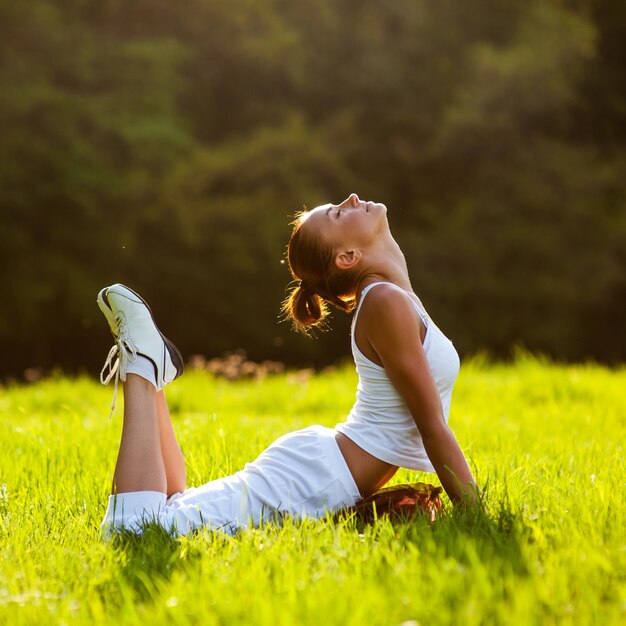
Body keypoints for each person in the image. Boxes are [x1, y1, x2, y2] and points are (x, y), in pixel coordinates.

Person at [99, 193, 477, 537]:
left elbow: (430, 426)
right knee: (134, 531)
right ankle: (142, 365)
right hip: (316, 478)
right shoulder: (384, 303)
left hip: (321, 469)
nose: (351, 198)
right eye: (337, 213)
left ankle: (151, 370)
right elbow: (431, 427)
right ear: (346, 257)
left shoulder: (392, 298)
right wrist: (479, 515)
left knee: (174, 510)